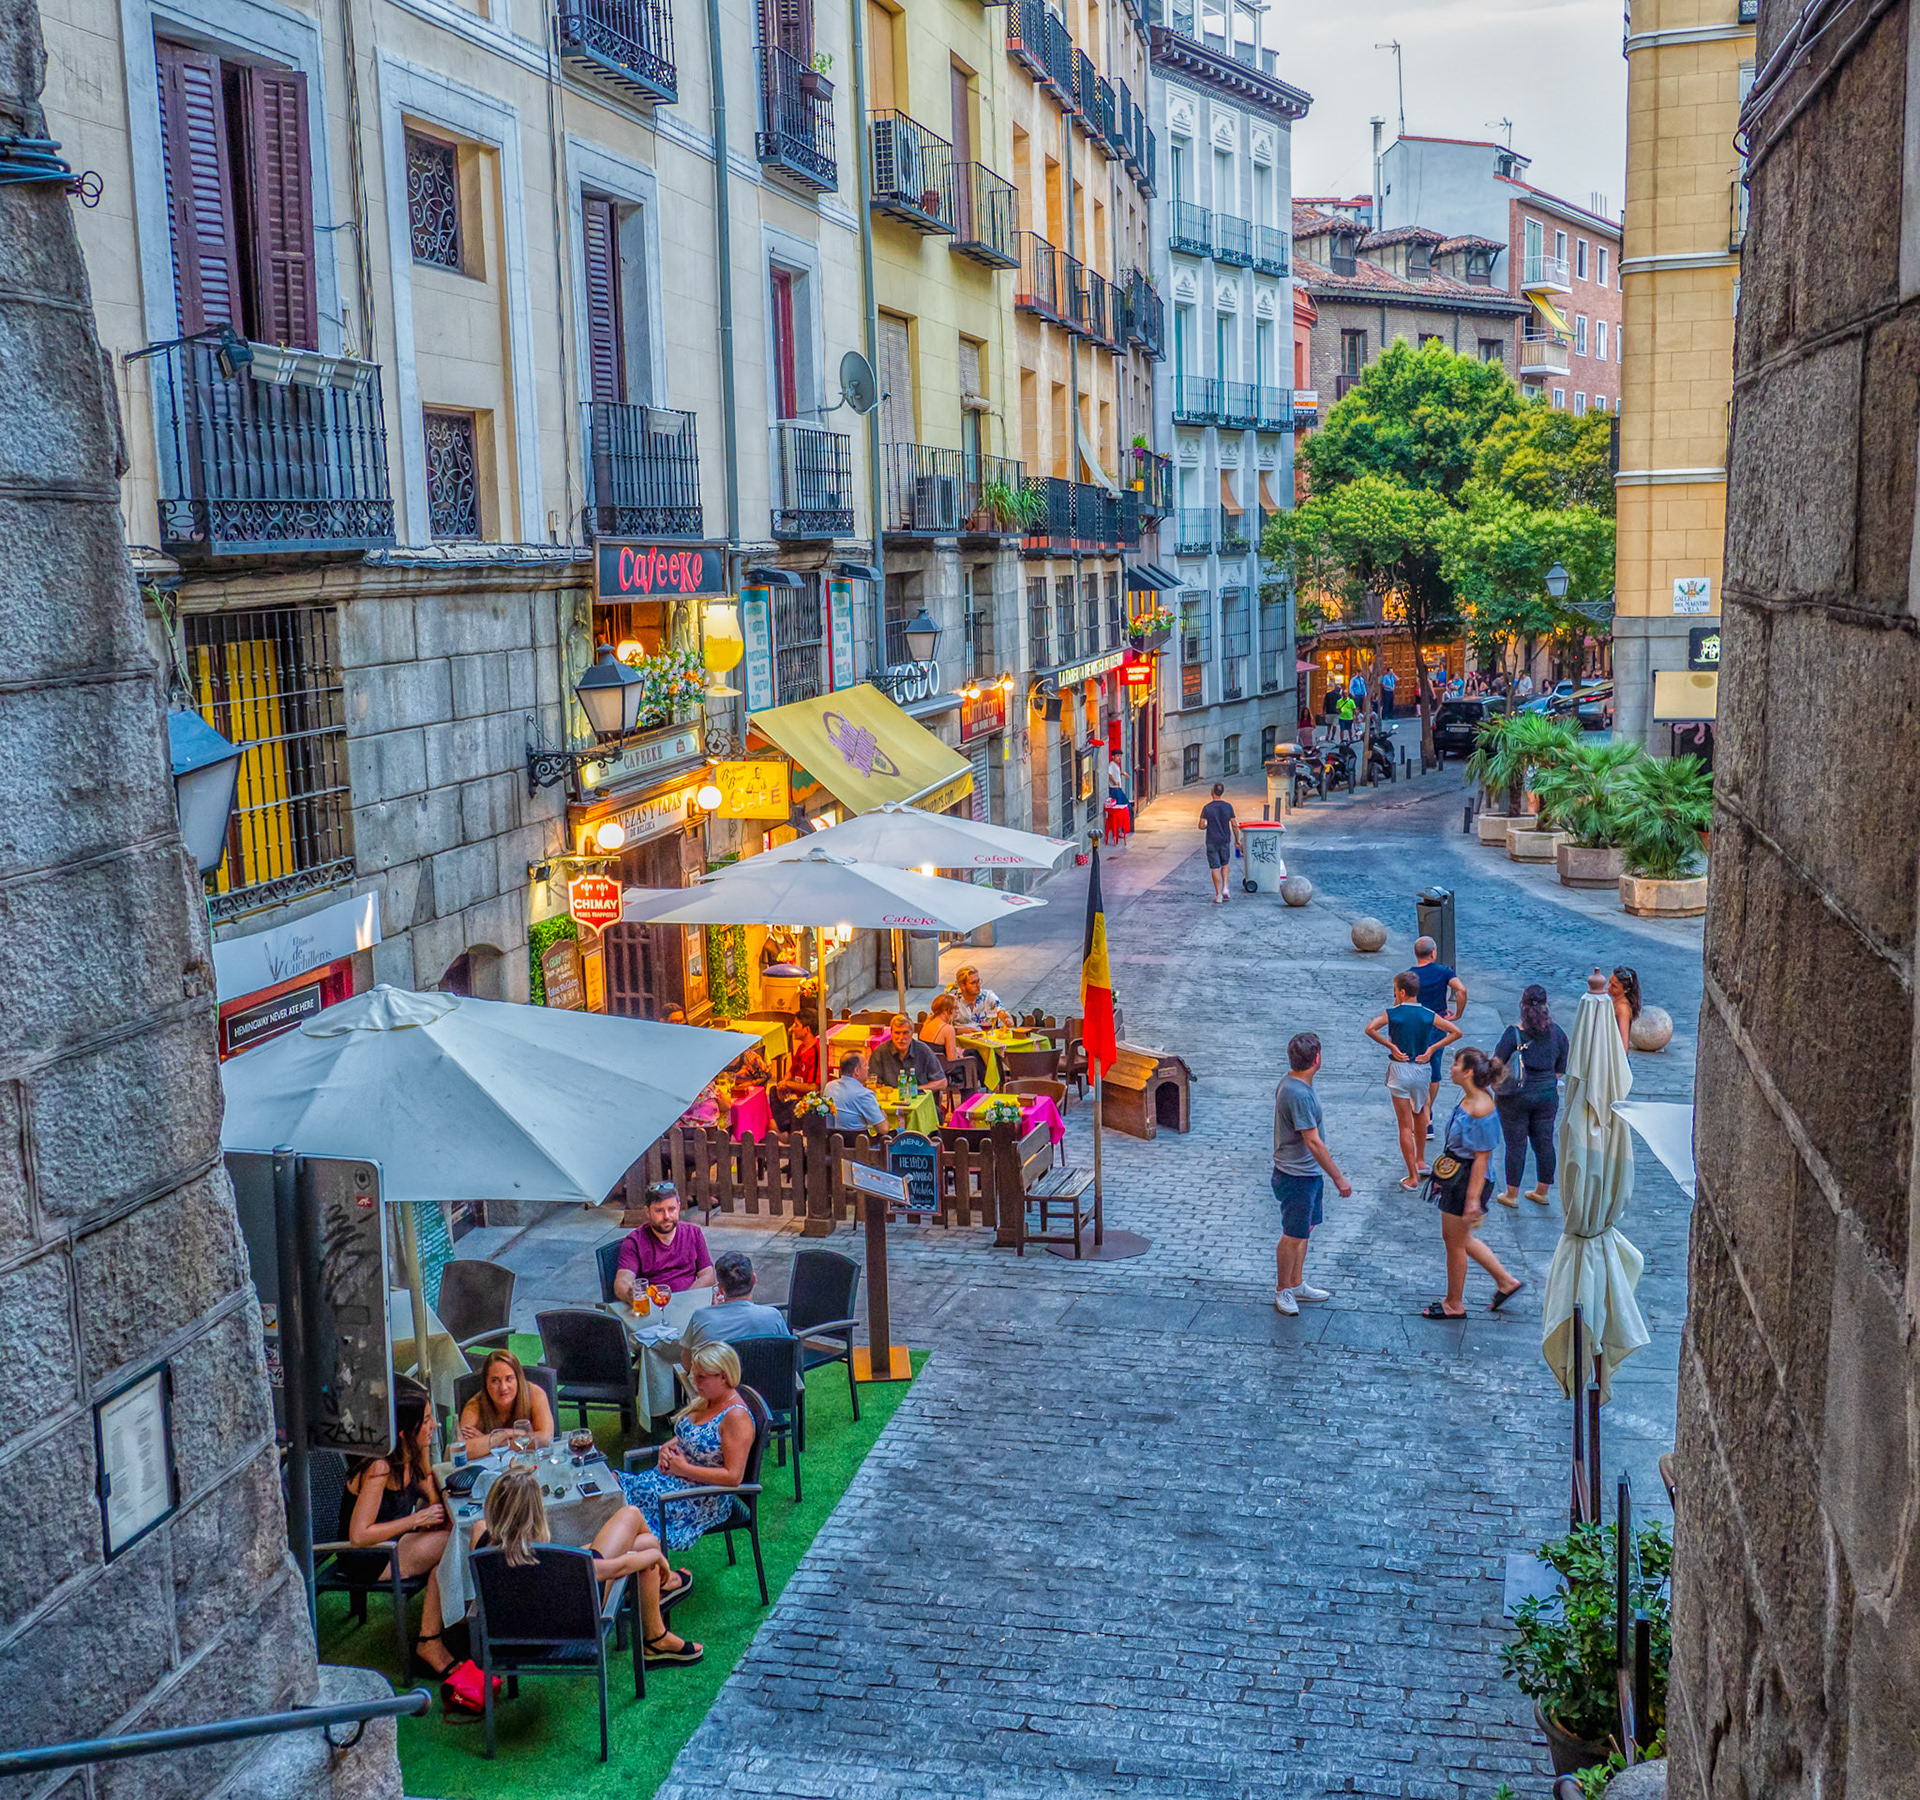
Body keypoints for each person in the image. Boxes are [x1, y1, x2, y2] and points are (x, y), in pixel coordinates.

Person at [475, 1466, 699, 1666]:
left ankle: (656, 1633)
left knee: (643, 1543)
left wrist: (514, 1481)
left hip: (508, 1638)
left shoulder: (480, 1538)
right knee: (637, 1528)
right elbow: (617, 1568)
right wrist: (656, 1557)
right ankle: (657, 1626)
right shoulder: (548, 1560)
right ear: (535, 1513)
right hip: (568, 1628)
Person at [616, 1341, 755, 1664]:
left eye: (702, 1376)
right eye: (694, 1374)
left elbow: (734, 1477)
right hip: (672, 1482)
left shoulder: (736, 1417)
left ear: (724, 1377)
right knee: (616, 1494)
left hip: (700, 1500)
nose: (695, 1381)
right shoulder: (707, 1400)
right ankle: (658, 1579)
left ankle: (647, 1580)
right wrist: (667, 1447)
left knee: (626, 1513)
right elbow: (689, 1436)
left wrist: (682, 1468)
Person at [340, 1390, 454, 1676]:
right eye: (426, 1421)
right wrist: (417, 1519)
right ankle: (431, 1640)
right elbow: (359, 1535)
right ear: (404, 1432)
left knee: (450, 1547)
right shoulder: (379, 1467)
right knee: (455, 1542)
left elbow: (428, 1484)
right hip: (368, 1556)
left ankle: (437, 1633)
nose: (434, 1426)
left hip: (396, 1543)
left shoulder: (408, 1456)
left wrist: (435, 1502)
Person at [1420, 1046, 1524, 1318]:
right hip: (1459, 1175)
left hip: (1466, 1181)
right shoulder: (1471, 1099)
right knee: (1459, 1238)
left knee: (1455, 1242)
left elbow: (1481, 1159)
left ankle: (1454, 1303)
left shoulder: (1480, 1107)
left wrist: (1472, 1200)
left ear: (1467, 1073)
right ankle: (1505, 1281)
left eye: (1456, 1064)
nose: (1451, 1067)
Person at [1270, 1032, 1351, 1316]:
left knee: (1305, 1230)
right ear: (1317, 1060)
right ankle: (1283, 1289)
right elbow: (1313, 1141)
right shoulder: (1299, 1094)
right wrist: (1339, 1178)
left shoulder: (1293, 1084)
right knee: (1293, 1235)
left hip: (1307, 1174)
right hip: (1297, 1176)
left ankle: (1296, 1283)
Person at [1364, 971, 1463, 1190]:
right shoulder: (1428, 1014)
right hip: (1421, 1069)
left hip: (1399, 1069)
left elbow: (1370, 1028)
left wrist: (1391, 1047)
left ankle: (1411, 1176)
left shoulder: (1393, 1013)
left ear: (1400, 991)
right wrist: (1432, 1048)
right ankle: (1420, 1161)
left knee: (1403, 1124)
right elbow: (1456, 1032)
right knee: (1421, 1114)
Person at [1493, 984, 1570, 1206]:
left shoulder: (1513, 1034)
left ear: (1522, 1006)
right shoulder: (1557, 1034)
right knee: (1544, 1142)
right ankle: (1542, 1191)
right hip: (1546, 1094)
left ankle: (1511, 1194)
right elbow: (1559, 1069)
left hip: (1515, 1096)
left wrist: (1496, 1087)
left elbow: (1496, 1064)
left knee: (1516, 1145)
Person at [678, 1252, 792, 1355]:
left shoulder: (701, 1317)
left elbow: (687, 1363)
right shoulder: (773, 1317)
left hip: (720, 1377)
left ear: (721, 1288)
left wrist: (713, 1312)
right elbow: (788, 1354)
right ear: (754, 1279)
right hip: (762, 1377)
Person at [615, 1183, 714, 1300]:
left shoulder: (693, 1233)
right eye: (659, 1211)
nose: (667, 1216)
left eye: (671, 1209)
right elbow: (623, 1280)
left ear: (678, 1207)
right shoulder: (634, 1241)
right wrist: (629, 1294)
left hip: (689, 1301)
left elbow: (708, 1274)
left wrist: (686, 1298)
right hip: (655, 1304)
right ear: (647, 1212)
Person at [456, 1348, 557, 1454]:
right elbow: (461, 1450)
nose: (503, 1388)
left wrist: (492, 1442)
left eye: (509, 1379)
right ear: (486, 1383)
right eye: (495, 1380)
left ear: (518, 1380)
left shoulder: (534, 1393)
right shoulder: (475, 1405)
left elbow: (545, 1439)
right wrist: (513, 1434)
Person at [869, 1013, 947, 1095]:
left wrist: (914, 1090)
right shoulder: (880, 1052)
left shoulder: (923, 1050)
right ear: (891, 1033)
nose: (901, 1038)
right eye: (897, 1033)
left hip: (919, 1100)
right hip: (891, 1101)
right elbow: (873, 1084)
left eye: (905, 1033)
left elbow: (942, 1082)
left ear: (912, 1033)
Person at [769, 1018, 819, 1130]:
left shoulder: (816, 1052)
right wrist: (782, 1084)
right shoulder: (801, 1048)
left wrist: (788, 1084)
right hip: (795, 1094)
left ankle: (783, 1130)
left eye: (796, 1025)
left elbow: (813, 1087)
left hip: (808, 1101)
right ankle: (781, 1127)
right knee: (773, 1091)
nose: (792, 1028)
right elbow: (792, 1070)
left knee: (796, 1105)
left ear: (807, 1029)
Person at [1406, 935, 1467, 1020]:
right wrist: (1458, 1014)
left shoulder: (1406, 976)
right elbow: (1462, 990)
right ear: (1432, 953)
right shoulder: (1444, 971)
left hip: (1415, 1019)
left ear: (1415, 953)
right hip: (1438, 1019)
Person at [1198, 781, 1239, 905]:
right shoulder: (1228, 807)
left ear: (1212, 792)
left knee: (1214, 866)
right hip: (1225, 839)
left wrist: (1207, 827)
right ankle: (1225, 887)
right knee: (1225, 863)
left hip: (1211, 840)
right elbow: (1234, 825)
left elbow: (1200, 825)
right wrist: (1237, 840)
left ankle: (1218, 894)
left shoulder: (1207, 808)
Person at [824, 1051, 886, 1132]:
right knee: (901, 1133)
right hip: (859, 1142)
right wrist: (881, 1111)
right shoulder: (864, 1094)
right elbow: (883, 1129)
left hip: (833, 1141)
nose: (868, 1068)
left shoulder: (830, 1087)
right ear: (857, 1071)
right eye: (865, 1065)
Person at [947, 965, 1012, 1030]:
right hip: (959, 1038)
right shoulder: (952, 1001)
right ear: (963, 986)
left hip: (984, 1037)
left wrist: (1007, 1018)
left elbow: (1001, 1010)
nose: (978, 985)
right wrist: (958, 1031)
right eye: (973, 983)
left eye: (978, 981)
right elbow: (941, 1026)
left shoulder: (988, 996)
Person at [1609, 966, 1642, 1052]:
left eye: (1614, 986)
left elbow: (1624, 1042)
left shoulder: (1623, 1008)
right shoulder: (1613, 1000)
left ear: (1626, 990)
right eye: (1609, 982)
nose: (1609, 987)